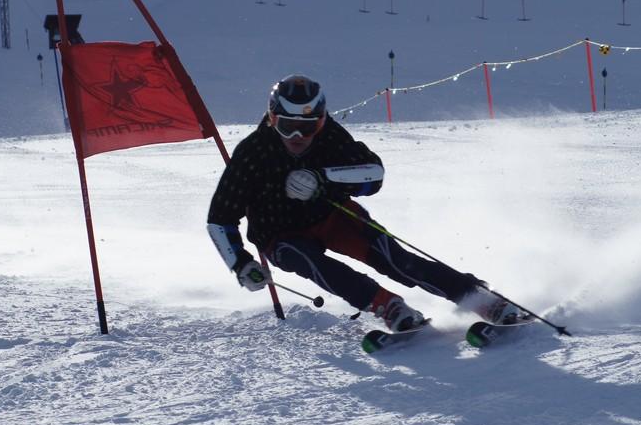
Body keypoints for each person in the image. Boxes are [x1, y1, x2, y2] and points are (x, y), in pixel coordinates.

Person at [206, 74, 518, 332]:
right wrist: (241, 264)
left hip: (332, 216)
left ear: (322, 120)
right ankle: (387, 306)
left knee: (396, 260)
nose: (299, 136)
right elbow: (220, 218)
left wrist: (322, 179)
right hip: (279, 235)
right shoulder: (252, 153)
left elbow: (373, 174)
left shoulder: (329, 135)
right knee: (312, 262)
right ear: (273, 119)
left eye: (310, 126)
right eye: (288, 126)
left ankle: (478, 298)